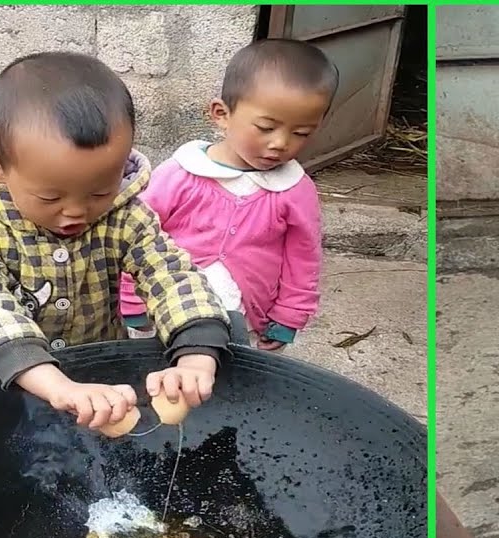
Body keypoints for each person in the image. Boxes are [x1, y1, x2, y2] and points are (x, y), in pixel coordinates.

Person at [0, 51, 232, 431]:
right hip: (0, 383)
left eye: (99, 192)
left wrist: (195, 351)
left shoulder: (125, 215)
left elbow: (170, 275)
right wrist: (56, 385)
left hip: (94, 376)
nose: (76, 212)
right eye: (50, 197)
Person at [118, 39, 336, 350]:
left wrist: (289, 317)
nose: (280, 143)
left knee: (233, 375)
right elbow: (136, 236)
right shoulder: (180, 174)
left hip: (245, 321)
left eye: (301, 133)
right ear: (221, 114)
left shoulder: (294, 190)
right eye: (266, 127)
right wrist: (131, 298)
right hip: (166, 311)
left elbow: (303, 258)